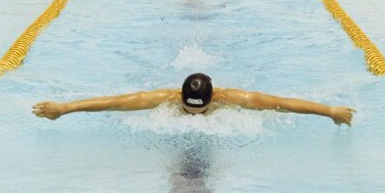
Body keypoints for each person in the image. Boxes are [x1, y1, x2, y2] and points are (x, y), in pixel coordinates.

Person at [33, 72, 354, 124]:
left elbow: (283, 103)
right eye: (190, 109)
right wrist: (65, 108)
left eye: (202, 109)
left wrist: (330, 111)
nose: (196, 116)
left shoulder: (235, 98)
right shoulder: (162, 99)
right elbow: (115, 102)